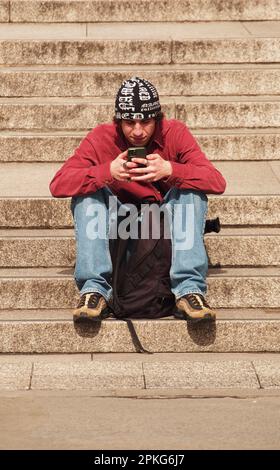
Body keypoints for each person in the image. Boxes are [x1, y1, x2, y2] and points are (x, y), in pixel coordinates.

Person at [49, 77, 226, 323]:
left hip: (160, 228)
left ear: (158, 119)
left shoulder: (175, 133)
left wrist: (171, 170)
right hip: (120, 227)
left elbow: (217, 181)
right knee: (87, 192)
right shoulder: (101, 137)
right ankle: (94, 289)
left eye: (146, 121)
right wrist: (106, 172)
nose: (138, 131)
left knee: (190, 190)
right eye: (129, 122)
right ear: (118, 121)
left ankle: (189, 289)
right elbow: (58, 185)